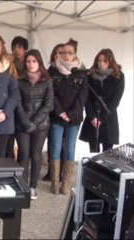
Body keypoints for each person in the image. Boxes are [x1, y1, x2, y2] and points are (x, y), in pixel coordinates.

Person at [48, 38, 89, 194]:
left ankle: (65, 183)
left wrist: (70, 114)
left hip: (74, 118)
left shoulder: (82, 71)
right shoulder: (52, 70)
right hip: (56, 116)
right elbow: (50, 93)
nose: (66, 55)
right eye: (63, 52)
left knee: (70, 148)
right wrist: (60, 112)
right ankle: (54, 182)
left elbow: (83, 95)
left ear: (75, 54)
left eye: (69, 53)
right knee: (56, 147)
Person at [15, 49, 54, 200]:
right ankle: (22, 186)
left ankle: (32, 187)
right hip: (22, 124)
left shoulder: (47, 79)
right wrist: (26, 122)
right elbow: (17, 103)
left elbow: (49, 104)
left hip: (41, 124)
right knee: (23, 154)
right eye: (28, 61)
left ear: (39, 63)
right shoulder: (19, 79)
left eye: (34, 61)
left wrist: (35, 122)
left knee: (36, 155)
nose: (31, 64)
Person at [79, 49, 125, 152]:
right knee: (94, 152)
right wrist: (92, 117)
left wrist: (102, 119)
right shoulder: (90, 76)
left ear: (110, 62)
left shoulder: (119, 76)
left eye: (105, 61)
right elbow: (87, 99)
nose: (101, 63)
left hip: (108, 117)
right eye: (99, 60)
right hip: (93, 118)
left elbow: (115, 101)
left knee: (108, 153)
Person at [43, 43, 66, 181]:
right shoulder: (50, 71)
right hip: (52, 112)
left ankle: (61, 172)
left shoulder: (71, 71)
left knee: (64, 144)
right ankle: (51, 171)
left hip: (68, 114)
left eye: (61, 53)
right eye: (56, 53)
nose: (58, 55)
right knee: (52, 143)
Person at [7, 36, 29, 160]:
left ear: (25, 49)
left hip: (24, 106)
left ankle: (21, 168)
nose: (16, 50)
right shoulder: (8, 64)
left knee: (23, 144)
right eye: (14, 47)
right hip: (10, 106)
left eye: (19, 47)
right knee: (9, 142)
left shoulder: (29, 64)